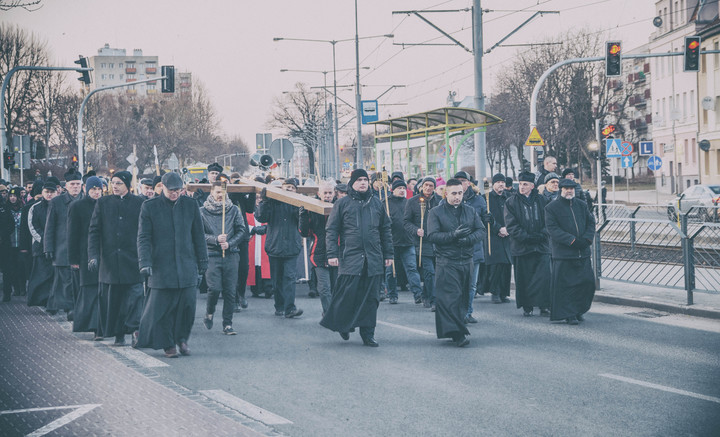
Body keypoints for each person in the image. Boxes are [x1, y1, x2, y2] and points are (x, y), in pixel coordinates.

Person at [137, 172, 208, 358]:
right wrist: (145, 262)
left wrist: (203, 260)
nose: (175, 194)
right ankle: (168, 343)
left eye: (178, 191)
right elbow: (143, 238)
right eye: (171, 191)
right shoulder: (149, 207)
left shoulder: (191, 205)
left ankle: (182, 339)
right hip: (161, 266)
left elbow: (198, 235)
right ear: (162, 188)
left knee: (187, 307)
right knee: (164, 309)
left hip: (186, 264)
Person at [321, 169, 393, 347]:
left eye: (365, 180)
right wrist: (332, 254)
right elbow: (332, 230)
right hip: (350, 258)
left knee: (371, 299)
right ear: (352, 183)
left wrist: (389, 254)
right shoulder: (342, 204)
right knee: (346, 296)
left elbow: (385, 230)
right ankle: (342, 325)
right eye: (359, 180)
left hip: (373, 258)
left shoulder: (377, 203)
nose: (363, 183)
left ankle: (368, 334)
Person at [87, 171, 145, 346]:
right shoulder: (103, 203)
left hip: (133, 260)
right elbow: (94, 231)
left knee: (135, 298)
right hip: (110, 262)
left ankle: (135, 330)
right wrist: (93, 256)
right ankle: (119, 333)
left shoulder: (140, 203)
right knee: (115, 300)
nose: (115, 186)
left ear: (127, 184)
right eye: (113, 183)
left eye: (119, 183)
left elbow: (146, 232)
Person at [427, 178, 485, 347]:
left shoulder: (470, 211)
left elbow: (481, 231)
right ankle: (458, 334)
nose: (457, 197)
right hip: (446, 261)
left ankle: (455, 329)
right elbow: (432, 236)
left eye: (460, 193)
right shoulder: (436, 212)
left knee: (463, 298)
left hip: (466, 260)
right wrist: (453, 235)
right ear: (446, 193)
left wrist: (467, 240)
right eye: (454, 193)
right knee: (450, 298)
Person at [545, 178, 597, 325]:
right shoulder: (552, 207)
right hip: (564, 254)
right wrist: (572, 240)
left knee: (586, 284)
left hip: (582, 252)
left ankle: (579, 309)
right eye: (566, 188)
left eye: (571, 188)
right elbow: (553, 229)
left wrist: (586, 239)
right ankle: (570, 314)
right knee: (567, 287)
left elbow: (591, 222)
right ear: (561, 189)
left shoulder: (581, 205)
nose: (569, 191)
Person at [200, 181, 247, 335]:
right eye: (218, 192)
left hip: (231, 254)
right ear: (212, 192)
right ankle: (209, 312)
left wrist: (230, 243)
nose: (220, 195)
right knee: (214, 289)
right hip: (212, 255)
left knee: (230, 291)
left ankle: (227, 324)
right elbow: (199, 234)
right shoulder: (202, 211)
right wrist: (215, 239)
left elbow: (241, 231)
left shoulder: (233, 210)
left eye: (223, 192)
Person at [254, 177, 304, 318]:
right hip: (274, 246)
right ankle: (279, 306)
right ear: (281, 188)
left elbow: (302, 221)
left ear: (296, 190)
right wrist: (264, 202)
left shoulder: (298, 203)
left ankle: (289, 308)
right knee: (277, 279)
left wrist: (300, 208)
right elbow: (261, 218)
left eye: (292, 187)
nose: (289, 189)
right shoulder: (272, 202)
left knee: (289, 278)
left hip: (291, 247)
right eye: (287, 186)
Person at [503, 172, 551, 317]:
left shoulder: (542, 200)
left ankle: (544, 304)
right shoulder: (511, 202)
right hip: (522, 247)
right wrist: (526, 237)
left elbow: (549, 220)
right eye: (520, 183)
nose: (522, 187)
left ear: (532, 186)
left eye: (525, 184)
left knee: (543, 277)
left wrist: (541, 235)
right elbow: (511, 225)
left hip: (541, 246)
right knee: (524, 278)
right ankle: (527, 305)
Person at [68, 176, 104, 338]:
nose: (96, 193)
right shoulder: (77, 206)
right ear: (86, 189)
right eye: (93, 189)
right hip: (84, 255)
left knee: (102, 291)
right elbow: (72, 234)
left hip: (104, 255)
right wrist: (73, 259)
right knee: (89, 291)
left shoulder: (105, 204)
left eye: (99, 189)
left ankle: (101, 326)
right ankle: (94, 326)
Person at [45, 169, 83, 318]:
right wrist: (48, 247)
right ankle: (70, 308)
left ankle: (76, 307)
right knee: (66, 282)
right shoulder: (56, 202)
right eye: (72, 184)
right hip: (62, 249)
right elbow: (50, 227)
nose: (75, 187)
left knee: (79, 281)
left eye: (78, 184)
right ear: (66, 185)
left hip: (81, 250)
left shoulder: (86, 200)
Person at [454, 171, 489, 322]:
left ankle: (467, 312)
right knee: (457, 284)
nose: (461, 183)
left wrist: (489, 220)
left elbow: (482, 227)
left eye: (463, 180)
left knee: (471, 285)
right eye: (458, 181)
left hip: (474, 248)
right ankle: (456, 313)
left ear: (469, 183)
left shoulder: (479, 200)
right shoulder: (447, 201)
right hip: (454, 250)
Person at [404, 176, 442, 310]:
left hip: (437, 241)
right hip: (422, 242)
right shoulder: (413, 202)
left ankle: (426, 294)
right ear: (421, 186)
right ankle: (433, 300)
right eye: (426, 185)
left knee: (435, 272)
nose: (428, 188)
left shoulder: (439, 201)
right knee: (429, 271)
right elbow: (406, 222)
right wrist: (416, 230)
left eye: (431, 185)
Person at [299, 181, 336, 314]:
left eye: (330, 193)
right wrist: (303, 215)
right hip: (319, 253)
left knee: (337, 288)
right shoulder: (312, 208)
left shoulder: (340, 206)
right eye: (325, 193)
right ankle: (328, 314)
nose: (327, 195)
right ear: (319, 194)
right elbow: (304, 233)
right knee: (324, 288)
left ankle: (334, 312)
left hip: (337, 253)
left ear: (334, 193)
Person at [385, 179, 423, 305]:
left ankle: (418, 294)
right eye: (399, 188)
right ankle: (392, 294)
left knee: (412, 268)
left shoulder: (409, 203)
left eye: (403, 188)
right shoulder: (385, 203)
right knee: (391, 271)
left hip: (408, 241)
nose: (402, 190)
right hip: (391, 242)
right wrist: (386, 220)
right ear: (393, 190)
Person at [26, 181, 57, 307]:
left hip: (57, 246)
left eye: (52, 192)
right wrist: (45, 240)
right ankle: (41, 300)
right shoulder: (35, 207)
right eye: (47, 192)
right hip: (40, 247)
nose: (49, 195)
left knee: (55, 276)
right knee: (41, 275)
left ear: (56, 192)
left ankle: (53, 301)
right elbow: (32, 226)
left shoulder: (60, 205)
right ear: (42, 192)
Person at [228, 174, 255, 312]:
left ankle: (241, 294)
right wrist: (233, 190)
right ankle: (232, 300)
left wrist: (252, 192)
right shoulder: (227, 195)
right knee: (231, 269)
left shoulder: (240, 196)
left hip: (243, 236)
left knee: (244, 267)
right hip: (229, 237)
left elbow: (250, 209)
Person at [484, 173, 512, 304]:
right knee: (496, 265)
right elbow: (485, 217)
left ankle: (504, 293)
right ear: (493, 184)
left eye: (503, 182)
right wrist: (498, 228)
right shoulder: (487, 198)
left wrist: (508, 229)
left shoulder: (509, 198)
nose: (501, 184)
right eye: (498, 182)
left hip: (508, 234)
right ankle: (495, 292)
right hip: (493, 235)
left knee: (506, 264)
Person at [1, 187, 26, 300]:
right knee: (8, 268)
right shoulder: (5, 209)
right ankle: (8, 292)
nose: (12, 198)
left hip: (21, 243)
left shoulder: (23, 209)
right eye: (10, 196)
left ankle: (20, 288)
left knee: (20, 267)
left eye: (14, 196)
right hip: (8, 243)